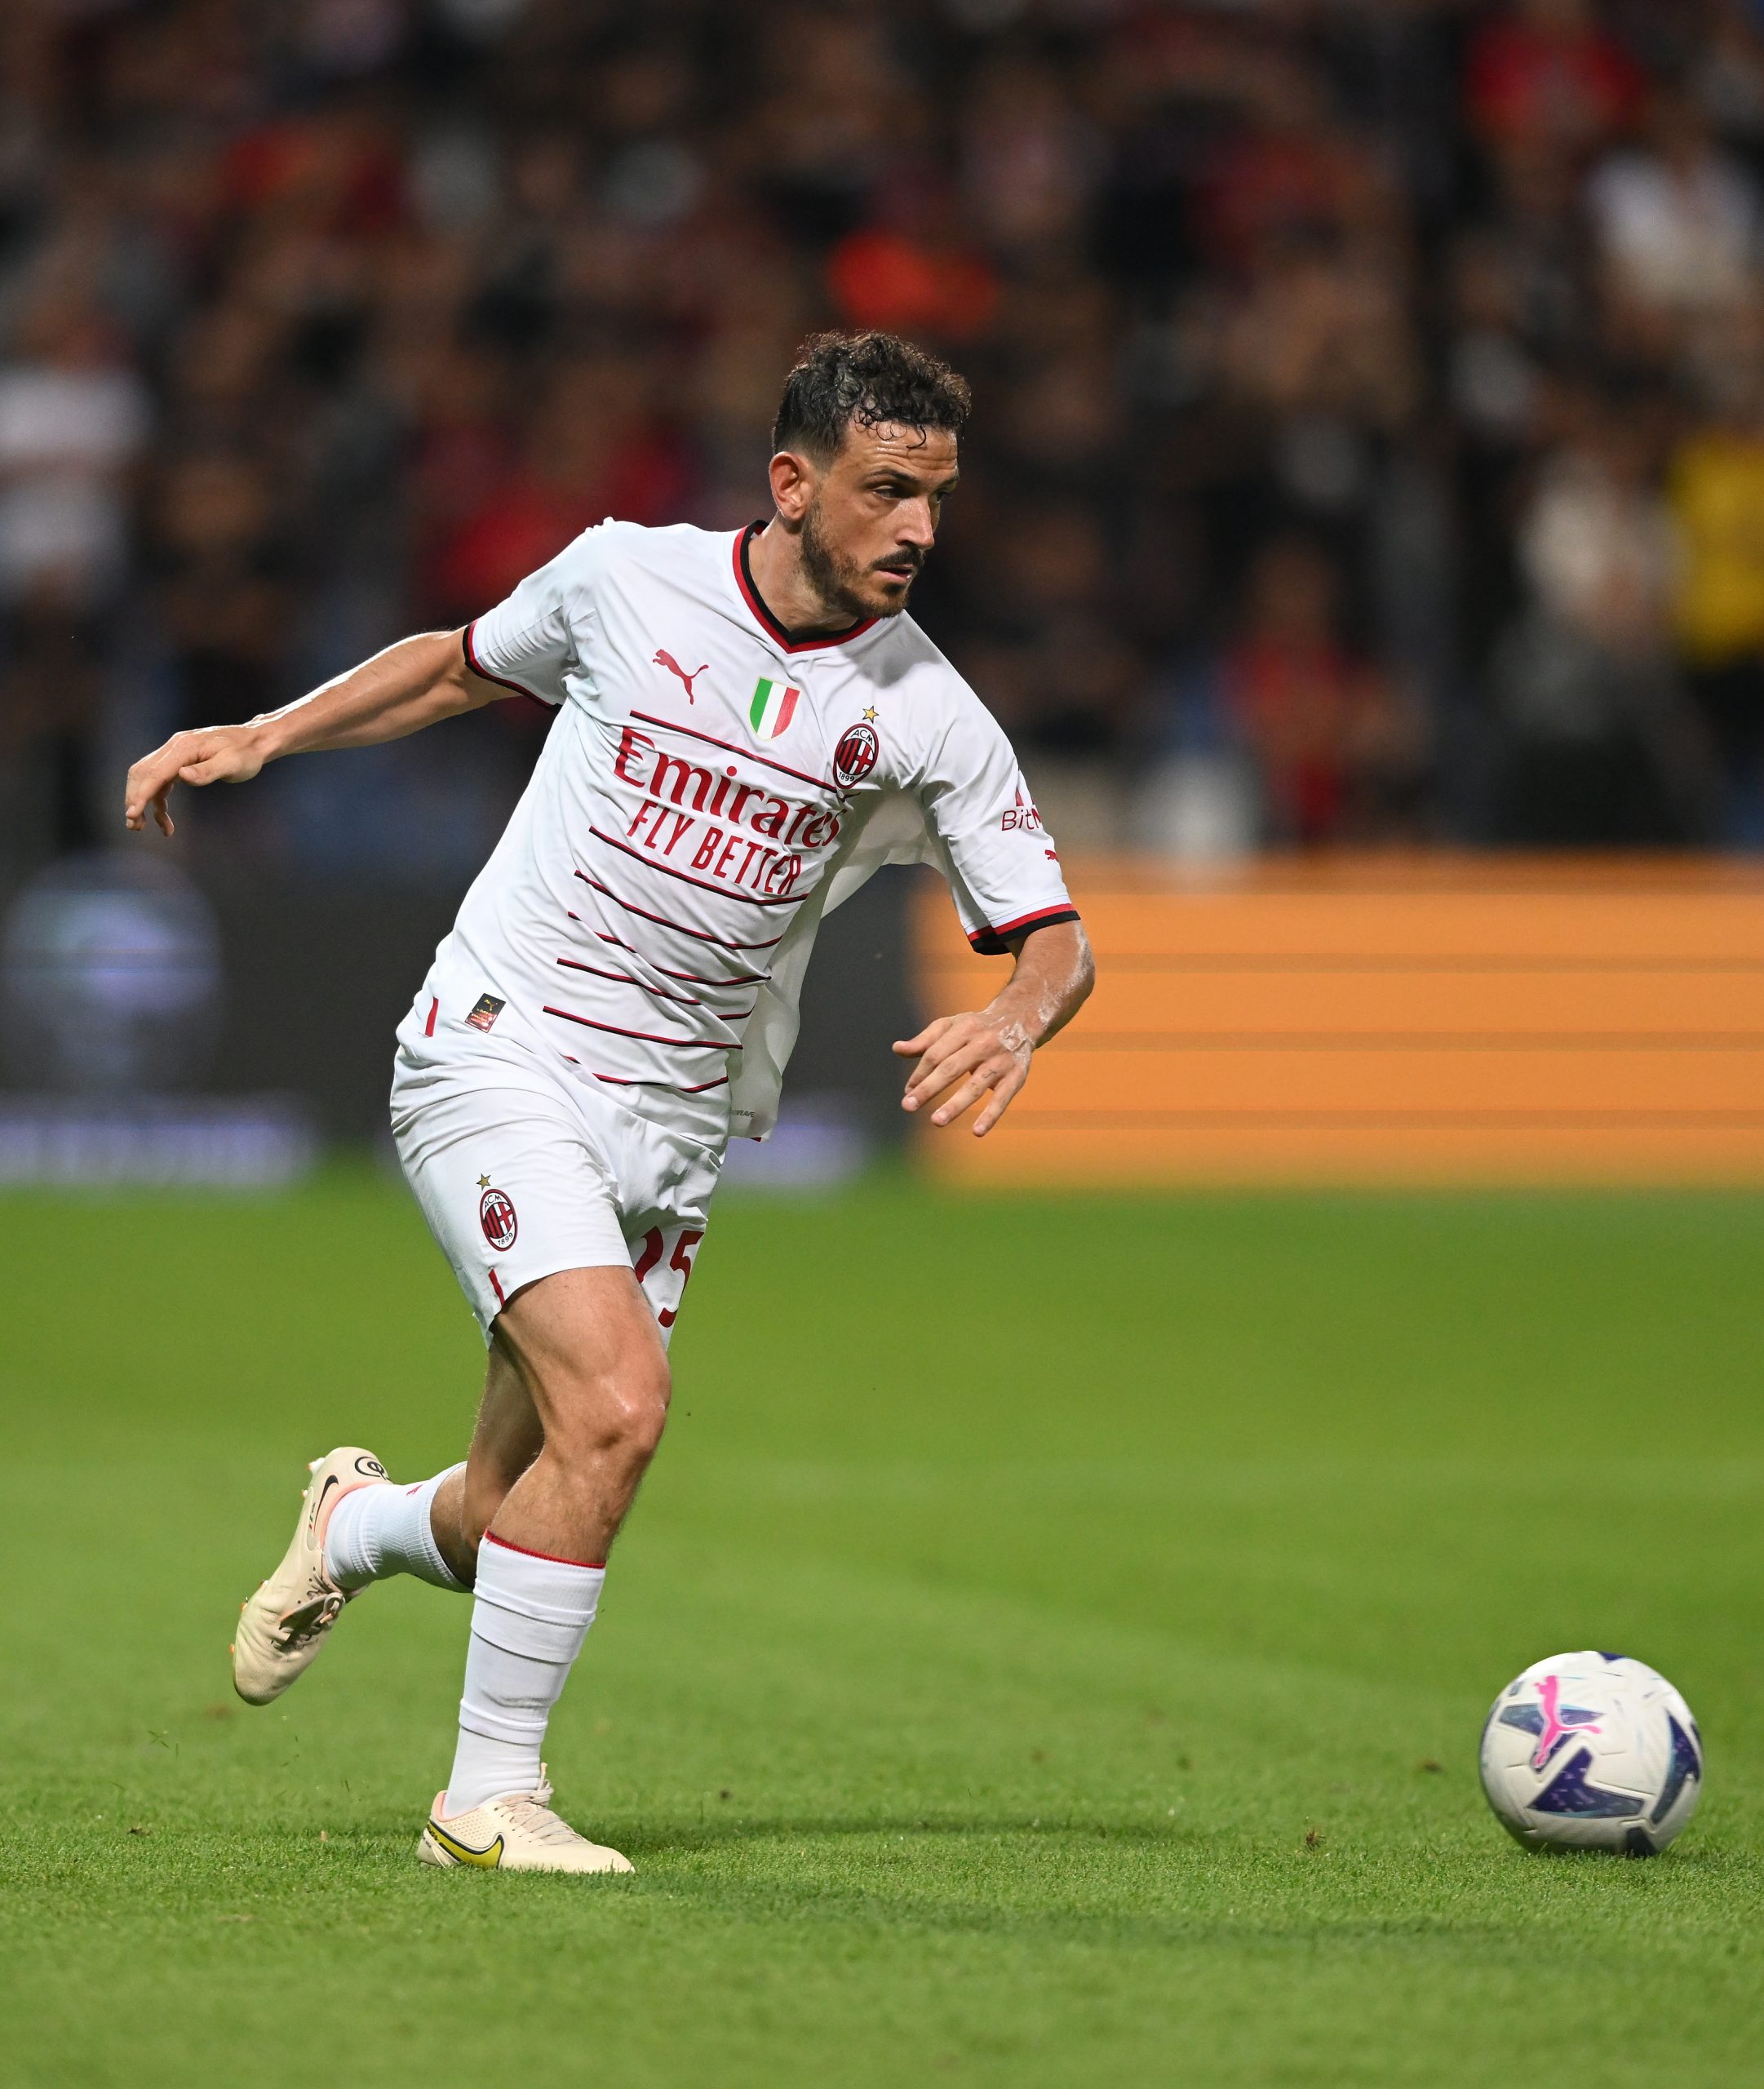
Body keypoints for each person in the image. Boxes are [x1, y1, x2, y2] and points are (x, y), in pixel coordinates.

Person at [122, 330, 1095, 1875]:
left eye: (935, 496)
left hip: (673, 1128)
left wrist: (1019, 1015)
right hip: (499, 1050)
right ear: (792, 484)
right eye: (885, 490)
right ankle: (485, 1805)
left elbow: (1053, 934)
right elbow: (457, 662)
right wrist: (268, 734)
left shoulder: (927, 712)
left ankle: (354, 1526)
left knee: (510, 1505)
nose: (918, 527)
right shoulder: (626, 578)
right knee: (620, 1411)